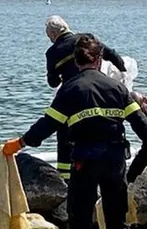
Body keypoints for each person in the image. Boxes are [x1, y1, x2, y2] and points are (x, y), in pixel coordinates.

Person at [3, 33, 147, 229]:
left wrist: (20, 143)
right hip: (114, 161)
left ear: (76, 62)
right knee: (116, 218)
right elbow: (139, 121)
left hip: (84, 161)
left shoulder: (70, 89)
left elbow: (48, 124)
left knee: (80, 219)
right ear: (100, 60)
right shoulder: (117, 88)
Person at [44, 16, 129, 182]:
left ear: (54, 33)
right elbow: (112, 55)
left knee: (64, 134)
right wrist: (122, 72)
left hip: (73, 94)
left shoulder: (53, 52)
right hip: (99, 91)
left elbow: (53, 83)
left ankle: (66, 179)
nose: (49, 39)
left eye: (49, 36)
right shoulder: (87, 39)